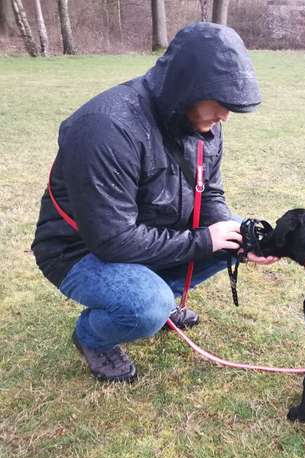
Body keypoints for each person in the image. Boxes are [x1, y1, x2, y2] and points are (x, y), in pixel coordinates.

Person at [31, 22, 277, 383]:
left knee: (231, 235)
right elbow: (112, 241)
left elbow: (209, 194)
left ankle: (159, 298)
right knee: (147, 303)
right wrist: (205, 240)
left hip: (148, 233)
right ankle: (92, 336)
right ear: (188, 87)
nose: (225, 116)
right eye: (221, 104)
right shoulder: (107, 128)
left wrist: (239, 236)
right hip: (76, 250)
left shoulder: (203, 122)